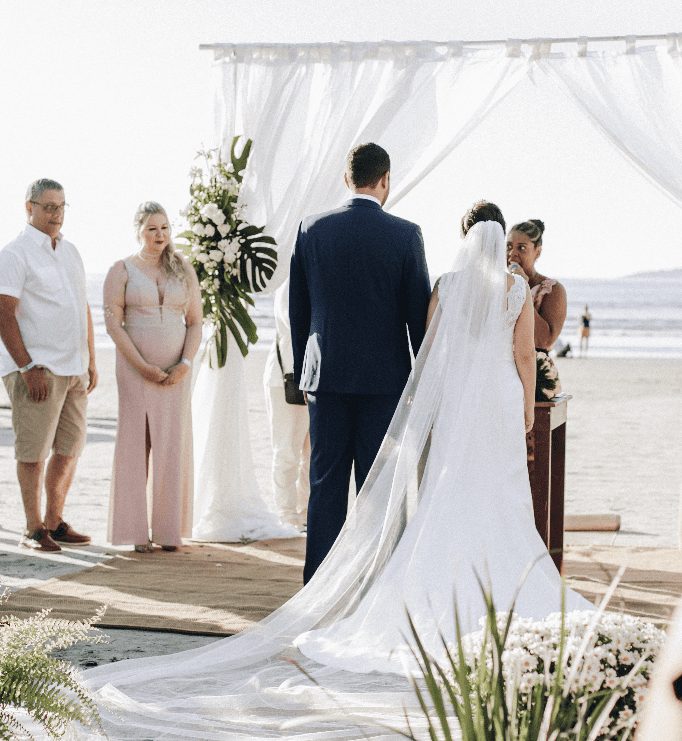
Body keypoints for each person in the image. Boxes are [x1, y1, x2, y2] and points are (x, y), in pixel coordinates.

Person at [83, 219, 592, 739]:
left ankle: (326, 583)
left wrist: (412, 395)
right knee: (495, 493)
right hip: (490, 397)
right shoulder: (502, 284)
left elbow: (427, 344)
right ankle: (494, 576)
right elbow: (524, 353)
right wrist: (526, 409)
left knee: (381, 486)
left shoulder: (417, 272)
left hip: (404, 389)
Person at [289, 142, 432, 583]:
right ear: (386, 179)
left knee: (325, 486)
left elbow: (299, 308)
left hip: (326, 379)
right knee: (375, 489)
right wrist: (420, 381)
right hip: (384, 382)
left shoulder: (312, 228)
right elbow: (418, 315)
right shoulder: (405, 234)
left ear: (345, 177)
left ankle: (318, 585)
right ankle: (372, 584)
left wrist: (303, 372)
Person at [0, 178, 96, 552]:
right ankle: (32, 528)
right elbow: (4, 312)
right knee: (33, 452)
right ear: (30, 207)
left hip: (74, 368)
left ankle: (55, 522)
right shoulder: (15, 254)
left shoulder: (70, 252)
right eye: (49, 207)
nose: (56, 214)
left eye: (61, 206)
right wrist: (26, 366)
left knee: (70, 448)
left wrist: (89, 358)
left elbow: (81, 306)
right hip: (37, 370)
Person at [103, 202, 202, 552]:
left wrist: (185, 364)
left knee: (171, 445)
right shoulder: (122, 270)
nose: (160, 235)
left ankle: (168, 532)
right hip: (134, 369)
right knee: (135, 444)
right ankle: (134, 533)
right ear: (138, 231)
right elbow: (114, 324)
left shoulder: (183, 269)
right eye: (152, 229)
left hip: (176, 374)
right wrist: (142, 366)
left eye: (164, 228)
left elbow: (195, 323)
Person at [263, 280, 310, 529]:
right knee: (287, 451)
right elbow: (294, 326)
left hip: (317, 378)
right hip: (286, 378)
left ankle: (306, 513)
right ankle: (287, 515)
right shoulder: (289, 283)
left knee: (313, 453)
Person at [507, 219, 566, 398]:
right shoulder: (499, 285)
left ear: (537, 252)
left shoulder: (552, 290)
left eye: (521, 248)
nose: (512, 254)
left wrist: (522, 288)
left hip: (537, 372)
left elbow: (544, 340)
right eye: (509, 247)